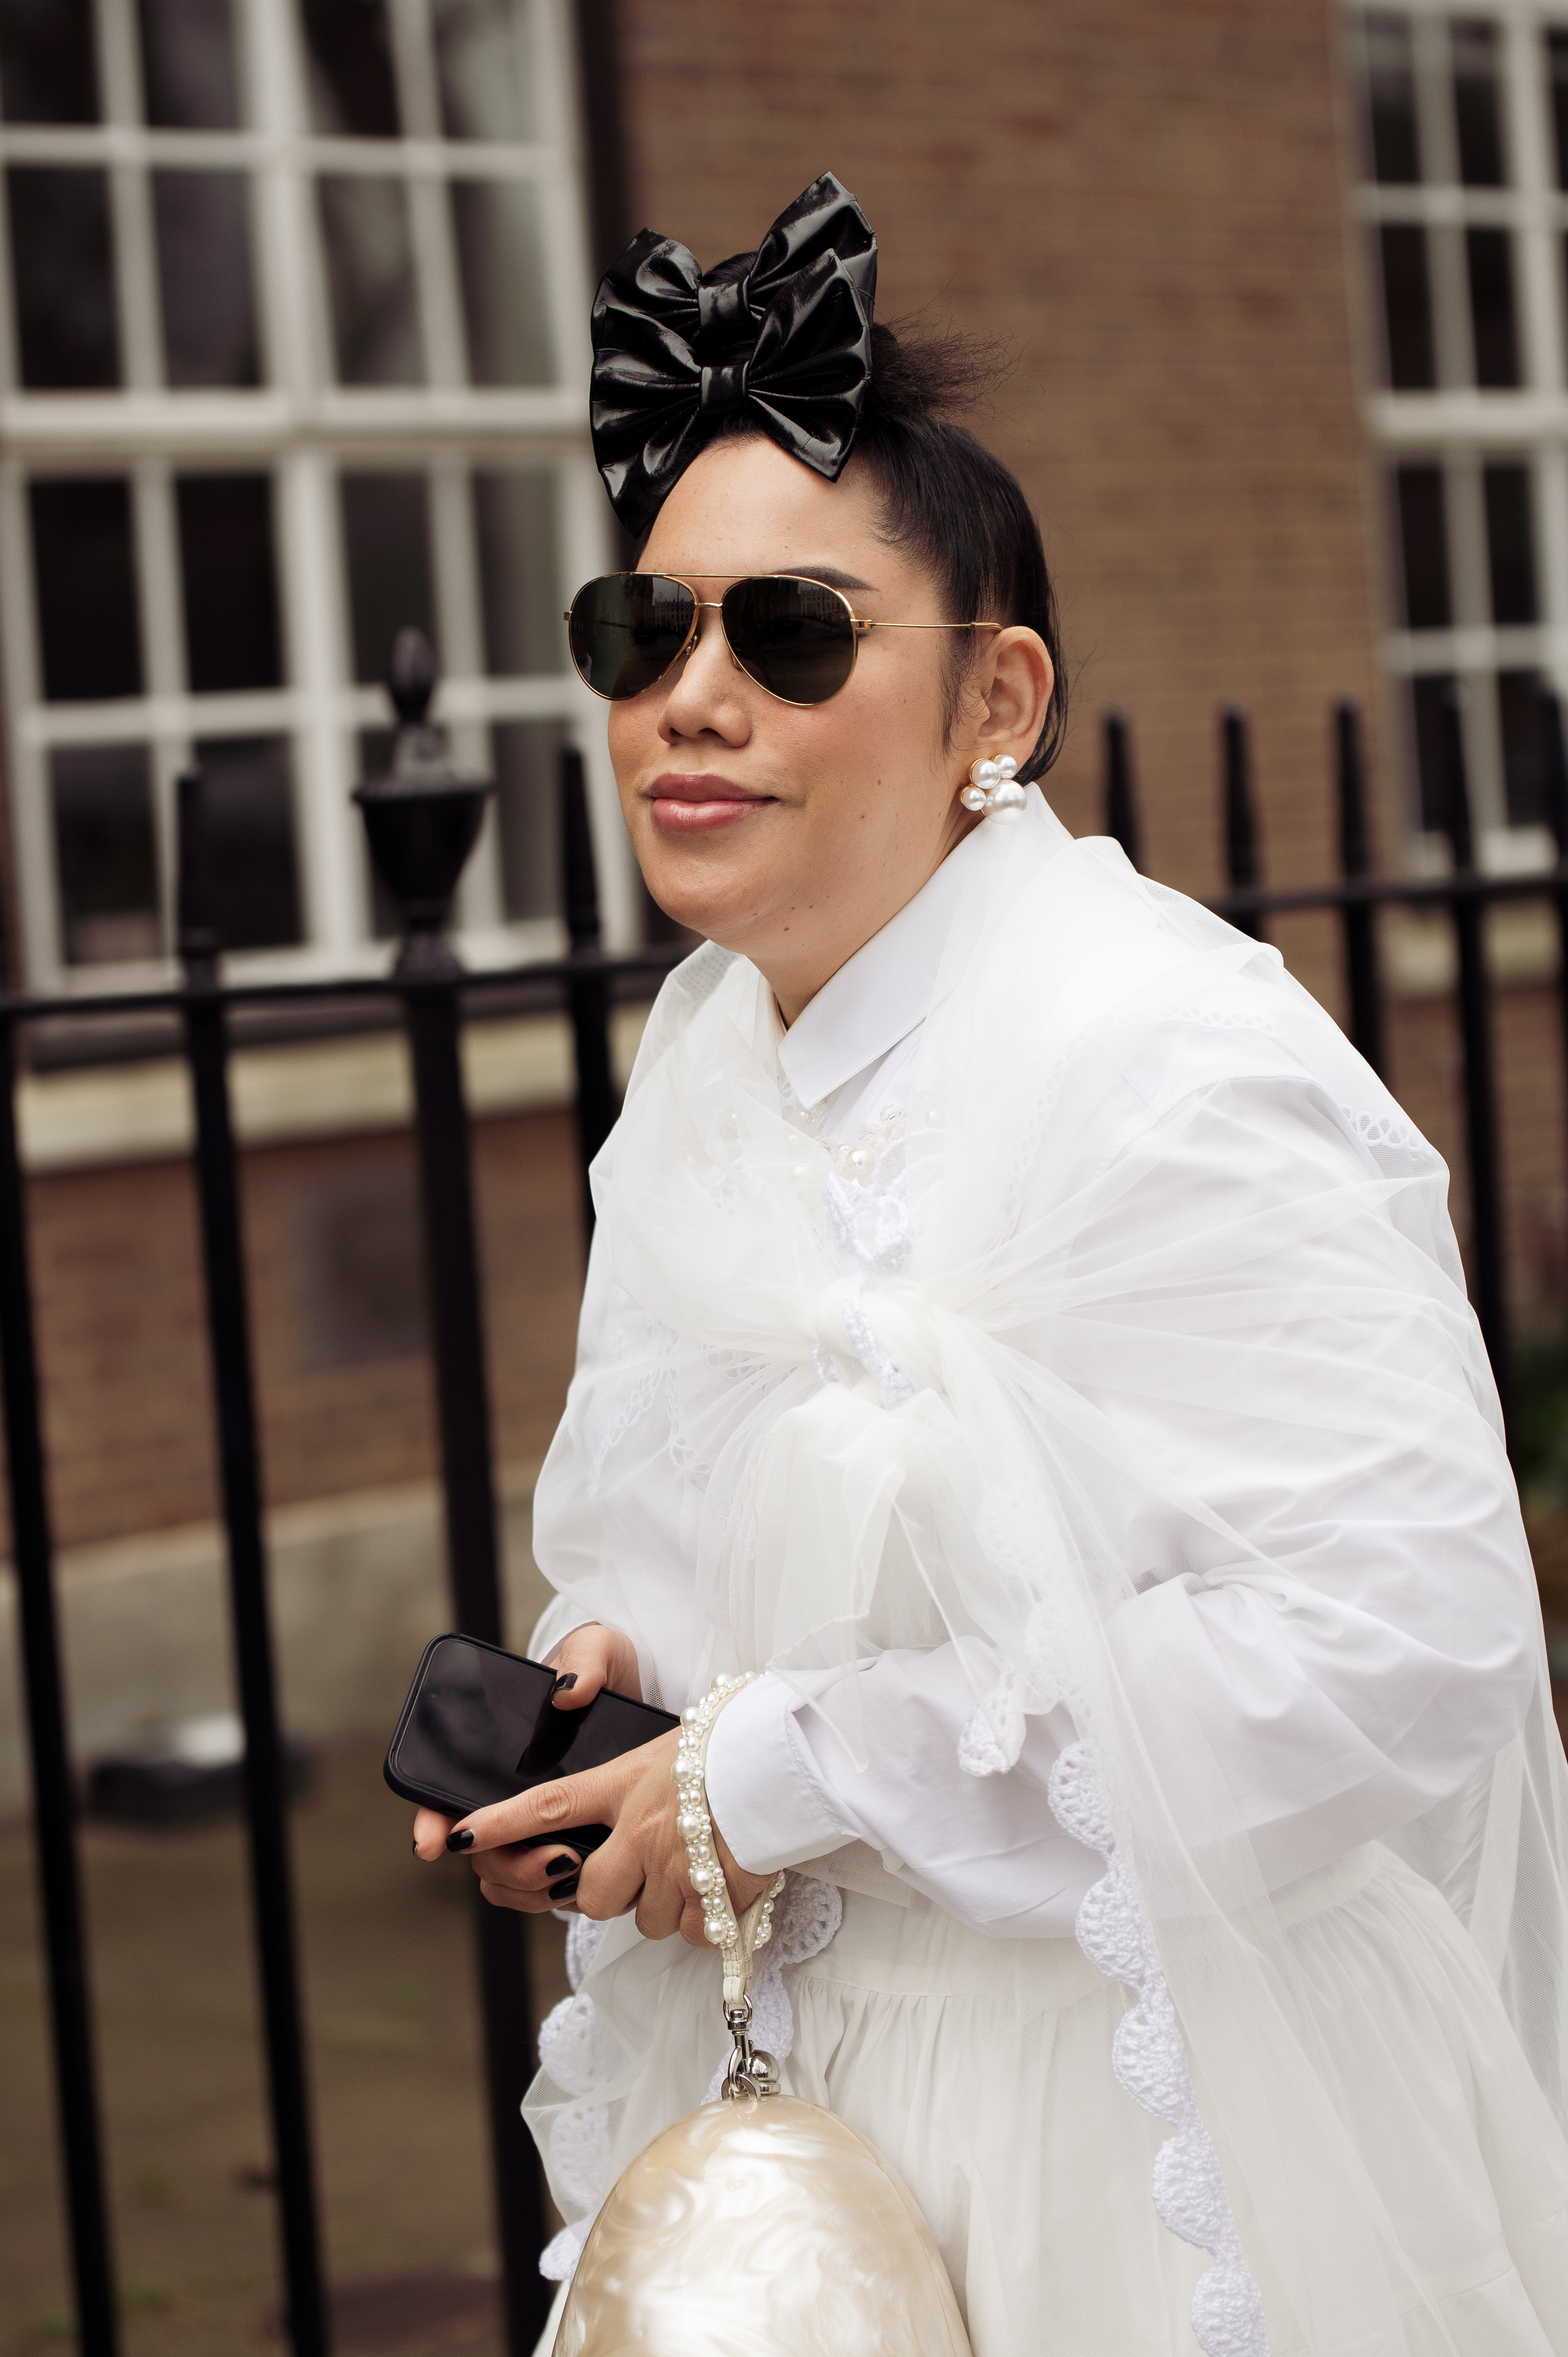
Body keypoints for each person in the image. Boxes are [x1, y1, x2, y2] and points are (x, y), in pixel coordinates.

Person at [412, 174, 1568, 2357]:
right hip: (772, 2155)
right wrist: (609, 1722)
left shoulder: (1166, 1045)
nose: (695, 695)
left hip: (1137, 2118)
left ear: (997, 700)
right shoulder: (700, 1057)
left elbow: (1402, 1626)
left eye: (795, 630)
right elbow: (676, 1524)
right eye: (639, 633)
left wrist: (790, 1773)